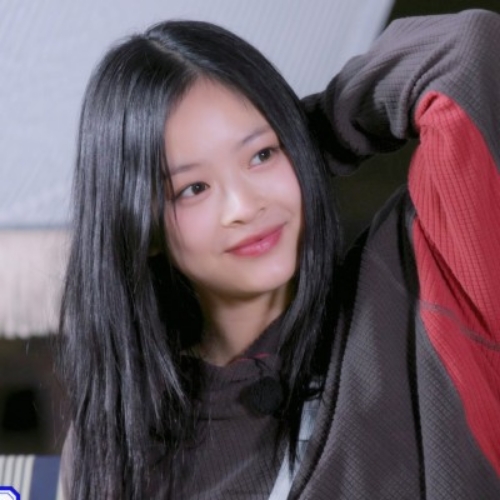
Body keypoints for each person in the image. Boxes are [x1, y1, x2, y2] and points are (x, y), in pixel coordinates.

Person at [58, 8, 500, 499]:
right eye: (193, 188)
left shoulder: (413, 275)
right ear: (143, 227)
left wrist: (309, 139)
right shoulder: (120, 440)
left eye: (262, 154)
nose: (245, 206)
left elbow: (467, 51)